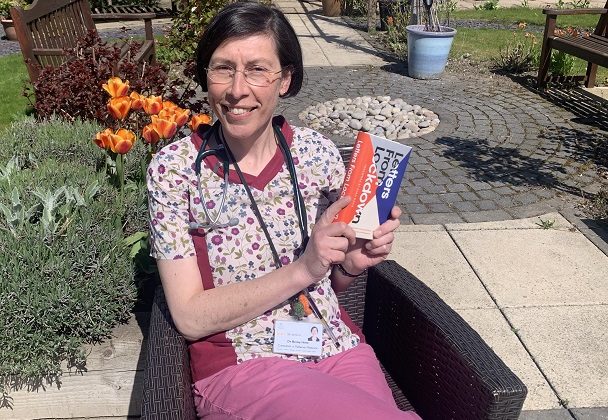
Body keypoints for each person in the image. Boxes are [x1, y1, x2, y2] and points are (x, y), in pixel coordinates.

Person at [147, 2, 420, 419]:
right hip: (245, 363)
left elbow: (333, 282)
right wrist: (305, 268)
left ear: (286, 80)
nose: (237, 89)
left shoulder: (317, 155)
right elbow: (188, 316)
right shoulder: (175, 171)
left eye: (257, 69)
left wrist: (349, 264)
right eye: (222, 68)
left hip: (337, 347)